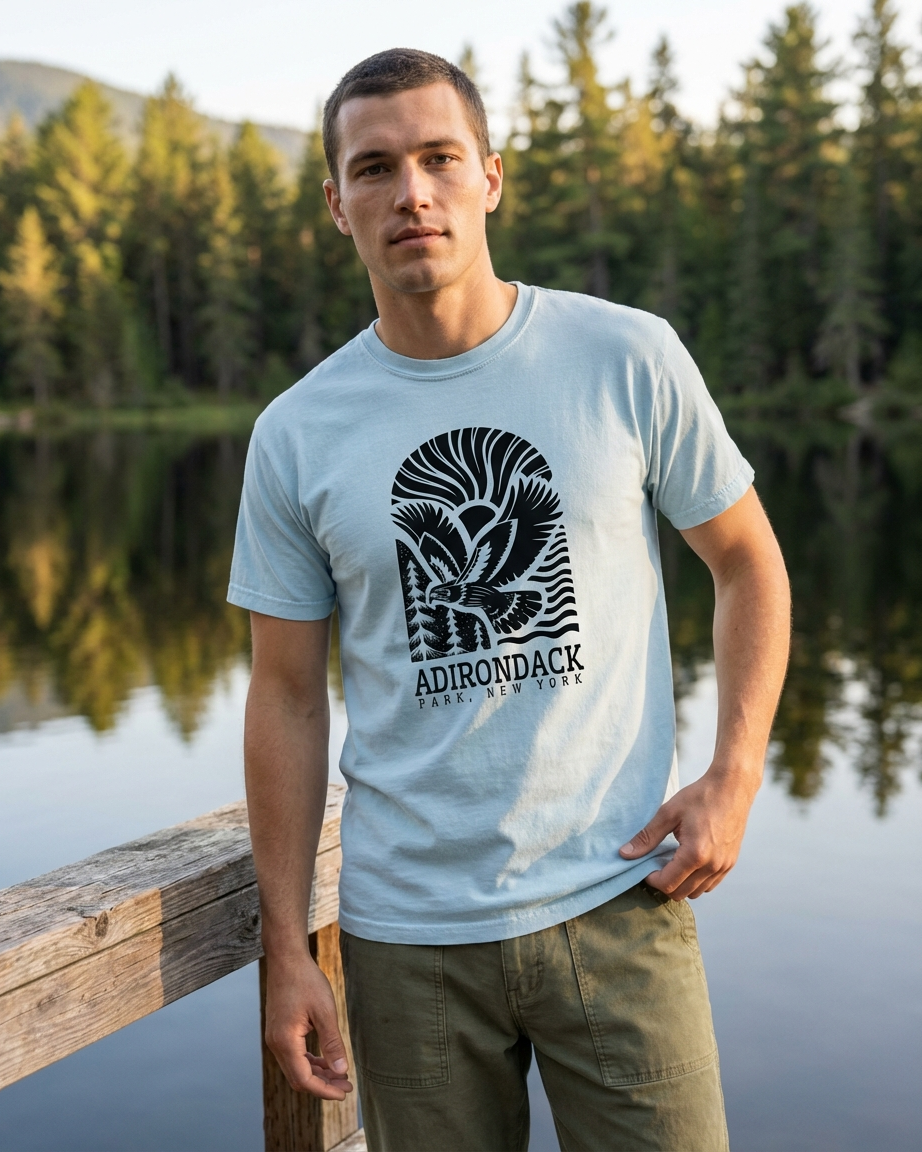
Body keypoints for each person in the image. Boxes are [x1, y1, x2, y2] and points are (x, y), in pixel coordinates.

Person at [228, 48, 790, 1152]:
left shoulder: (624, 356)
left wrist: (734, 773)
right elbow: (286, 697)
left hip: (621, 900)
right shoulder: (295, 434)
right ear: (337, 203)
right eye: (376, 168)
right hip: (407, 947)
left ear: (490, 176)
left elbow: (748, 564)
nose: (412, 193)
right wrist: (288, 947)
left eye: (438, 158)